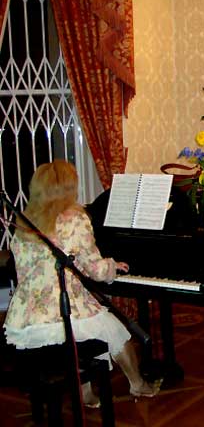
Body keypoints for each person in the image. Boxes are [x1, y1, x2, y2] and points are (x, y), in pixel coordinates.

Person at [2, 161, 159, 406]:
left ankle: (86, 394)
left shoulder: (24, 222)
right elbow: (95, 270)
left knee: (87, 329)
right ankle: (138, 385)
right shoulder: (74, 220)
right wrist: (112, 267)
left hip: (26, 319)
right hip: (64, 311)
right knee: (116, 332)